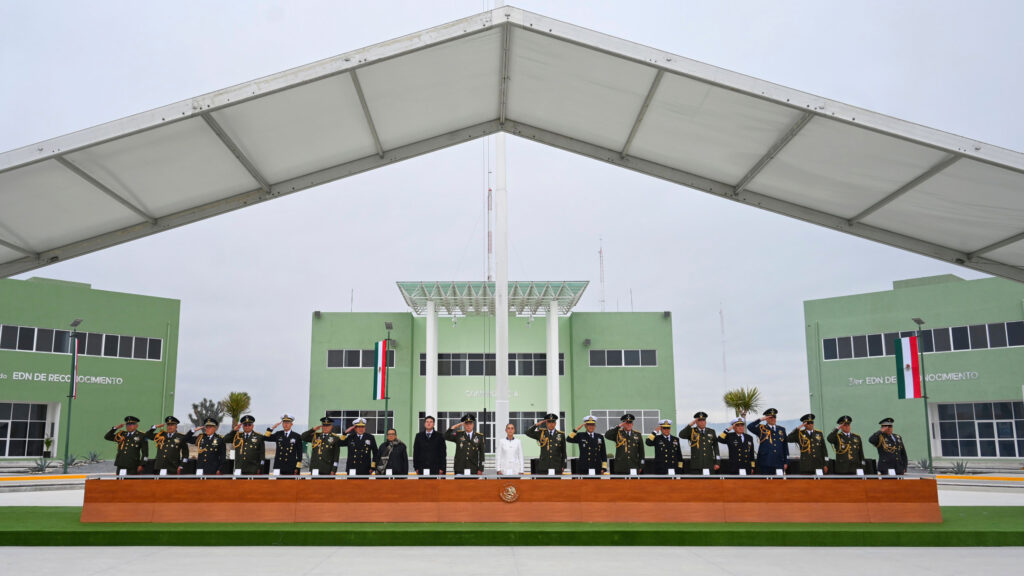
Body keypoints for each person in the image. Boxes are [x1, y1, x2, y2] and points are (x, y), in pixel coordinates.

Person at [748, 408, 789, 475]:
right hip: (765, 462)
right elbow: (750, 426)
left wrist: (786, 462)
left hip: (779, 462)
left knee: (779, 483)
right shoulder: (761, 428)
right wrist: (761, 419)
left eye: (774, 417)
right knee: (765, 483)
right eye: (770, 417)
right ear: (766, 419)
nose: (773, 419)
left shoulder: (781, 429)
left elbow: (785, 447)